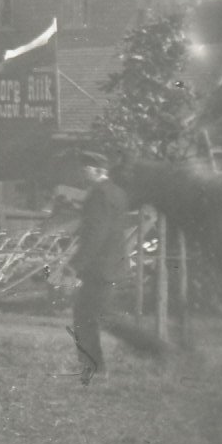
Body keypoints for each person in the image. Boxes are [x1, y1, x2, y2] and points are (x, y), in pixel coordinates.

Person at [68, 153, 159, 380]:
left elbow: (95, 234)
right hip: (111, 263)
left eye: (84, 168)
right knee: (98, 316)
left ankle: (152, 349)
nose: (80, 172)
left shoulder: (98, 194)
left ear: (98, 170)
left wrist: (76, 264)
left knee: (89, 317)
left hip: (100, 266)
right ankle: (151, 349)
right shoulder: (116, 192)